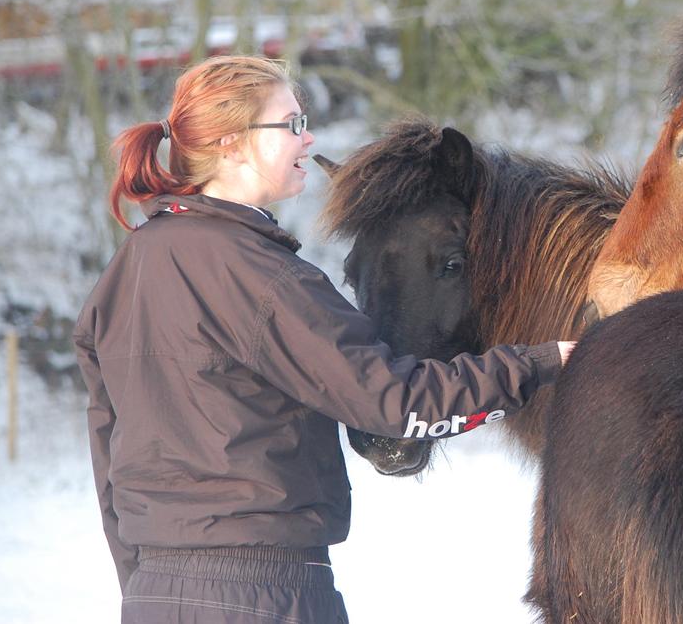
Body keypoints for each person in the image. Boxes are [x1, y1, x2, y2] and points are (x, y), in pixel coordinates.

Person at [74, 55, 573, 624]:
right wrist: (537, 363)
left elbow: (106, 450)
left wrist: (143, 588)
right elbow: (393, 402)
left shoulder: (124, 271)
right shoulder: (261, 276)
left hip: (152, 594)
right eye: (289, 124)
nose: (307, 138)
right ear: (233, 144)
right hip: (265, 592)